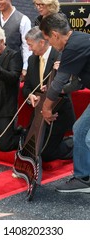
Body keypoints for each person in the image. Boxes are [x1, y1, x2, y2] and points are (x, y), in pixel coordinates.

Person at [40, 13, 90, 193]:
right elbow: (77, 83)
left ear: (54, 34)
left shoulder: (73, 46)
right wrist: (60, 91)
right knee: (80, 129)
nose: (51, 46)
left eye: (48, 40)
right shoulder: (78, 42)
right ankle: (83, 178)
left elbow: (59, 80)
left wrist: (46, 108)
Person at [22, 26, 75, 162]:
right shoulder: (32, 60)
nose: (29, 49)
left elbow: (71, 85)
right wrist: (30, 97)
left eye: (30, 45)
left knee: (46, 154)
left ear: (41, 42)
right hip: (39, 114)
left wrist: (52, 87)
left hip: (57, 113)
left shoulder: (60, 56)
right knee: (29, 148)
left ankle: (77, 145)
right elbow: (27, 87)